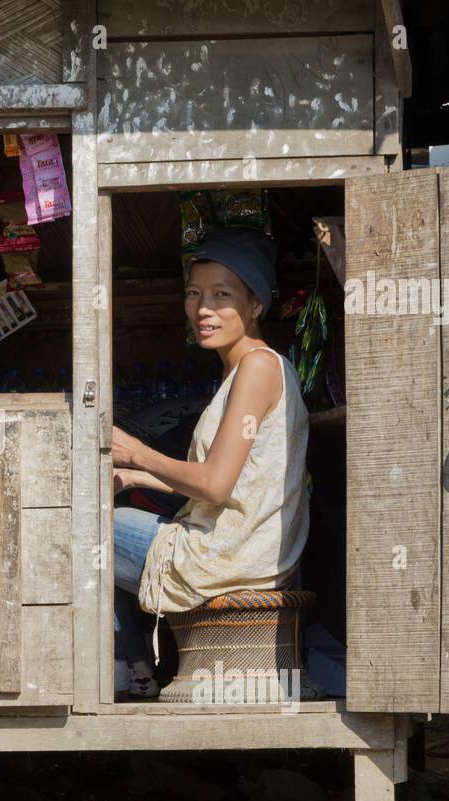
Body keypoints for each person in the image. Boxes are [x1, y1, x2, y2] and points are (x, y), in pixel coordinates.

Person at [111, 228, 310, 699]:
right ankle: (135, 668)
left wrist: (136, 451)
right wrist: (134, 476)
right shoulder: (245, 368)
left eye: (223, 296)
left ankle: (128, 669)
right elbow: (229, 482)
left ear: (255, 306)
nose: (204, 309)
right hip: (236, 546)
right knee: (105, 521)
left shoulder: (259, 367)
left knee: (80, 531)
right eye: (195, 294)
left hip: (228, 555)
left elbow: (215, 487)